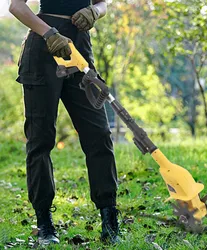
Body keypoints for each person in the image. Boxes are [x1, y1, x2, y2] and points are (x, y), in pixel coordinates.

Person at [9, 0, 119, 246]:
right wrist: (48, 32)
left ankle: (109, 218)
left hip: (79, 48)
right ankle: (44, 222)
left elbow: (103, 3)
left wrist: (94, 11)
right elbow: (16, 6)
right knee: (41, 139)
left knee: (99, 134)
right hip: (43, 48)